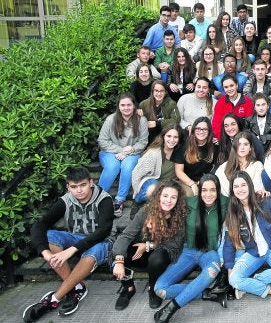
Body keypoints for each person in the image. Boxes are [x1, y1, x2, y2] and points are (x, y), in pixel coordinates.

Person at [23, 167, 113, 322]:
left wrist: (71, 250)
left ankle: (54, 299)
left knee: (95, 249)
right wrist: (46, 253)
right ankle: (77, 287)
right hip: (75, 238)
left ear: (91, 183)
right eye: (74, 186)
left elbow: (103, 231)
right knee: (49, 235)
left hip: (101, 242)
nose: (79, 190)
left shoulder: (104, 199)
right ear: (68, 187)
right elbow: (39, 225)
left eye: (83, 185)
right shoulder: (66, 200)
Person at [153, 174, 227, 323]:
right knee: (160, 289)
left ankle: (171, 308)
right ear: (198, 191)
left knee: (211, 272)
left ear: (218, 190)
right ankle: (207, 292)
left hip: (210, 253)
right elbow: (166, 207)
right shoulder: (188, 203)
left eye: (213, 190)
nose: (208, 194)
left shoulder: (226, 203)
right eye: (204, 190)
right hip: (189, 251)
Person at [223, 171, 271, 301]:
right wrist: (230, 268)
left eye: (243, 185)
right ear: (232, 190)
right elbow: (229, 243)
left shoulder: (267, 202)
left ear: (250, 186)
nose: (240, 189)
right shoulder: (233, 213)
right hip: (253, 253)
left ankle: (248, 285)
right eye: (236, 186)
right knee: (234, 279)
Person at [111, 182, 187, 310]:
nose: (168, 200)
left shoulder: (180, 215)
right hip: (141, 255)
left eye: (173, 197)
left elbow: (175, 243)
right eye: (165, 196)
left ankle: (153, 288)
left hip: (164, 255)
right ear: (158, 196)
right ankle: (128, 288)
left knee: (157, 257)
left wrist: (148, 245)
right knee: (120, 249)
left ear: (178, 200)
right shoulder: (145, 211)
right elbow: (126, 235)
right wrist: (119, 260)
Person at [98, 93, 148, 216]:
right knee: (112, 167)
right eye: (123, 105)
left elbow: (143, 142)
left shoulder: (141, 120)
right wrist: (121, 150)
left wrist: (128, 151)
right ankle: (97, 198)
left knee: (128, 166)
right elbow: (102, 141)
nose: (126, 108)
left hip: (133, 153)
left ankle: (119, 200)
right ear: (119, 107)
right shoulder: (111, 119)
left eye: (129, 105)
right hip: (110, 152)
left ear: (134, 105)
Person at [131, 124, 182, 205]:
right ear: (163, 136)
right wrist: (136, 192)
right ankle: (138, 202)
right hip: (151, 182)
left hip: (168, 183)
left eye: (175, 137)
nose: (172, 140)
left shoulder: (179, 151)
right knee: (153, 188)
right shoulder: (154, 153)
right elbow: (136, 173)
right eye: (169, 136)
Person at [174, 117, 219, 197]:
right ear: (193, 130)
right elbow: (179, 171)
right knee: (191, 194)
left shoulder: (214, 146)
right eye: (198, 129)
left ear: (209, 131)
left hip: (205, 181)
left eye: (205, 129)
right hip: (186, 181)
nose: (201, 132)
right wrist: (192, 184)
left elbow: (216, 167)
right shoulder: (184, 145)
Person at [215, 131, 266, 198]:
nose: (242, 147)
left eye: (245, 144)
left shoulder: (257, 165)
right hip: (230, 202)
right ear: (235, 147)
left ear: (250, 148)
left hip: (251, 202)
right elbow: (218, 184)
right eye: (239, 144)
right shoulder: (224, 166)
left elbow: (257, 188)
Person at [138, 80, 181, 144]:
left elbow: (176, 120)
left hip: (165, 135)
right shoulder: (143, 104)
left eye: (161, 91)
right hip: (149, 136)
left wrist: (157, 123)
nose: (159, 94)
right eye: (156, 91)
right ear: (152, 91)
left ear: (165, 92)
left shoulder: (171, 103)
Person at [212, 75, 253, 139]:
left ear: (237, 85)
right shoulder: (220, 102)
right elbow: (216, 124)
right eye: (226, 87)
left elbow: (250, 124)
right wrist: (221, 139)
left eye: (231, 85)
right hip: (225, 138)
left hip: (243, 138)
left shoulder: (247, 101)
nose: (229, 89)